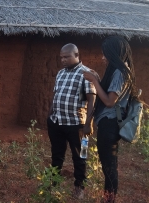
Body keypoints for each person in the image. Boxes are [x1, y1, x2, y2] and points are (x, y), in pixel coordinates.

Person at [83, 36, 137, 203]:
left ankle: (109, 200)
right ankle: (108, 198)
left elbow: (109, 101)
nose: (103, 58)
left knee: (109, 166)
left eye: (105, 54)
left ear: (115, 53)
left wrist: (93, 81)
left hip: (110, 124)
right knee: (109, 165)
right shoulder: (120, 71)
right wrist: (98, 79)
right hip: (108, 124)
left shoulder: (121, 72)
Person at [48, 43, 96, 199]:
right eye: (61, 57)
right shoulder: (61, 73)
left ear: (77, 55)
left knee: (80, 156)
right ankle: (53, 183)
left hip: (77, 125)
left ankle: (79, 187)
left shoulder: (86, 74)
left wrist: (89, 123)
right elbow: (56, 95)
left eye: (66, 57)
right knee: (57, 154)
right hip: (57, 122)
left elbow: (91, 101)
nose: (63, 60)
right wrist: (50, 116)